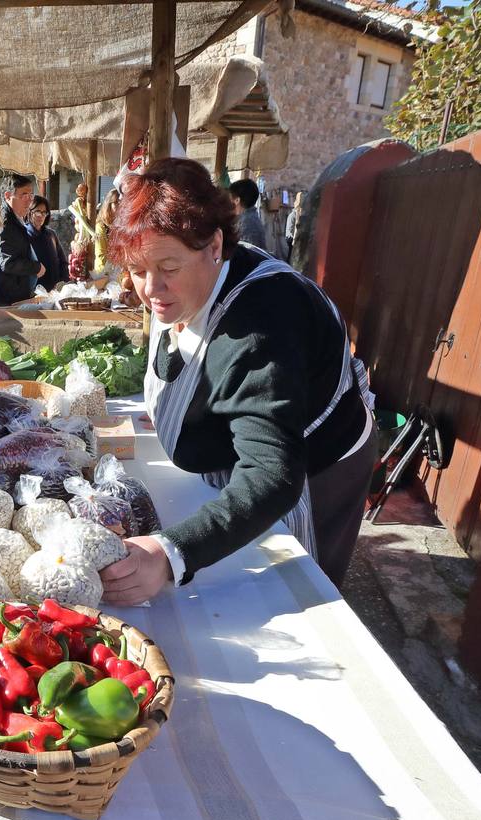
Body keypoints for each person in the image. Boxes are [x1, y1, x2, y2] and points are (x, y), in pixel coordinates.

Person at [99, 159, 375, 604]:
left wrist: (170, 554)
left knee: (295, 597)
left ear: (214, 246)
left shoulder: (263, 324)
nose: (150, 288)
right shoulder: (188, 288)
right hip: (247, 455)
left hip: (315, 465)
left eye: (168, 267)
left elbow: (272, 473)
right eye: (136, 269)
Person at [0, 173, 43, 304]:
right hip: (8, 299)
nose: (29, 200)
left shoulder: (16, 219)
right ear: (8, 196)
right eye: (24, 195)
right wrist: (36, 267)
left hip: (17, 294)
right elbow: (7, 263)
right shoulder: (4, 223)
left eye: (31, 195)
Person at [27, 196, 69, 291]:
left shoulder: (51, 235)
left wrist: (63, 282)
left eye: (44, 212)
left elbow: (63, 262)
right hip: (34, 293)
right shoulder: (24, 236)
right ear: (30, 212)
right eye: (37, 212)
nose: (41, 216)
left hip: (56, 291)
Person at [229, 178, 269, 253]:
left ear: (237, 200)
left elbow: (245, 256)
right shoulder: (248, 219)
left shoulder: (247, 223)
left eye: (230, 198)